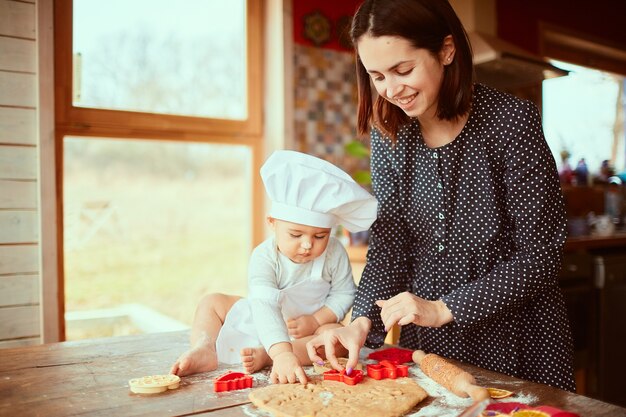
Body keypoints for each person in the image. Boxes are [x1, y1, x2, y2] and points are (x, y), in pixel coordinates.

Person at [306, 0, 576, 391]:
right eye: (377, 76)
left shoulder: (510, 122)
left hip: (520, 342)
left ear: (446, 50)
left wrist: (444, 308)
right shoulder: (391, 135)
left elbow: (541, 255)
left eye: (403, 70)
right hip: (433, 346)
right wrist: (362, 322)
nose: (391, 89)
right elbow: (392, 245)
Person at [170, 150, 377, 384]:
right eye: (296, 234)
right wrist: (282, 352)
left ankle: (266, 357)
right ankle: (205, 348)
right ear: (273, 223)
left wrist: (317, 320)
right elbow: (264, 303)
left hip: (305, 335)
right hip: (262, 321)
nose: (308, 244)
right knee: (211, 302)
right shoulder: (263, 256)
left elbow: (345, 292)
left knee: (335, 340)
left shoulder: (334, 252)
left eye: (320, 236)